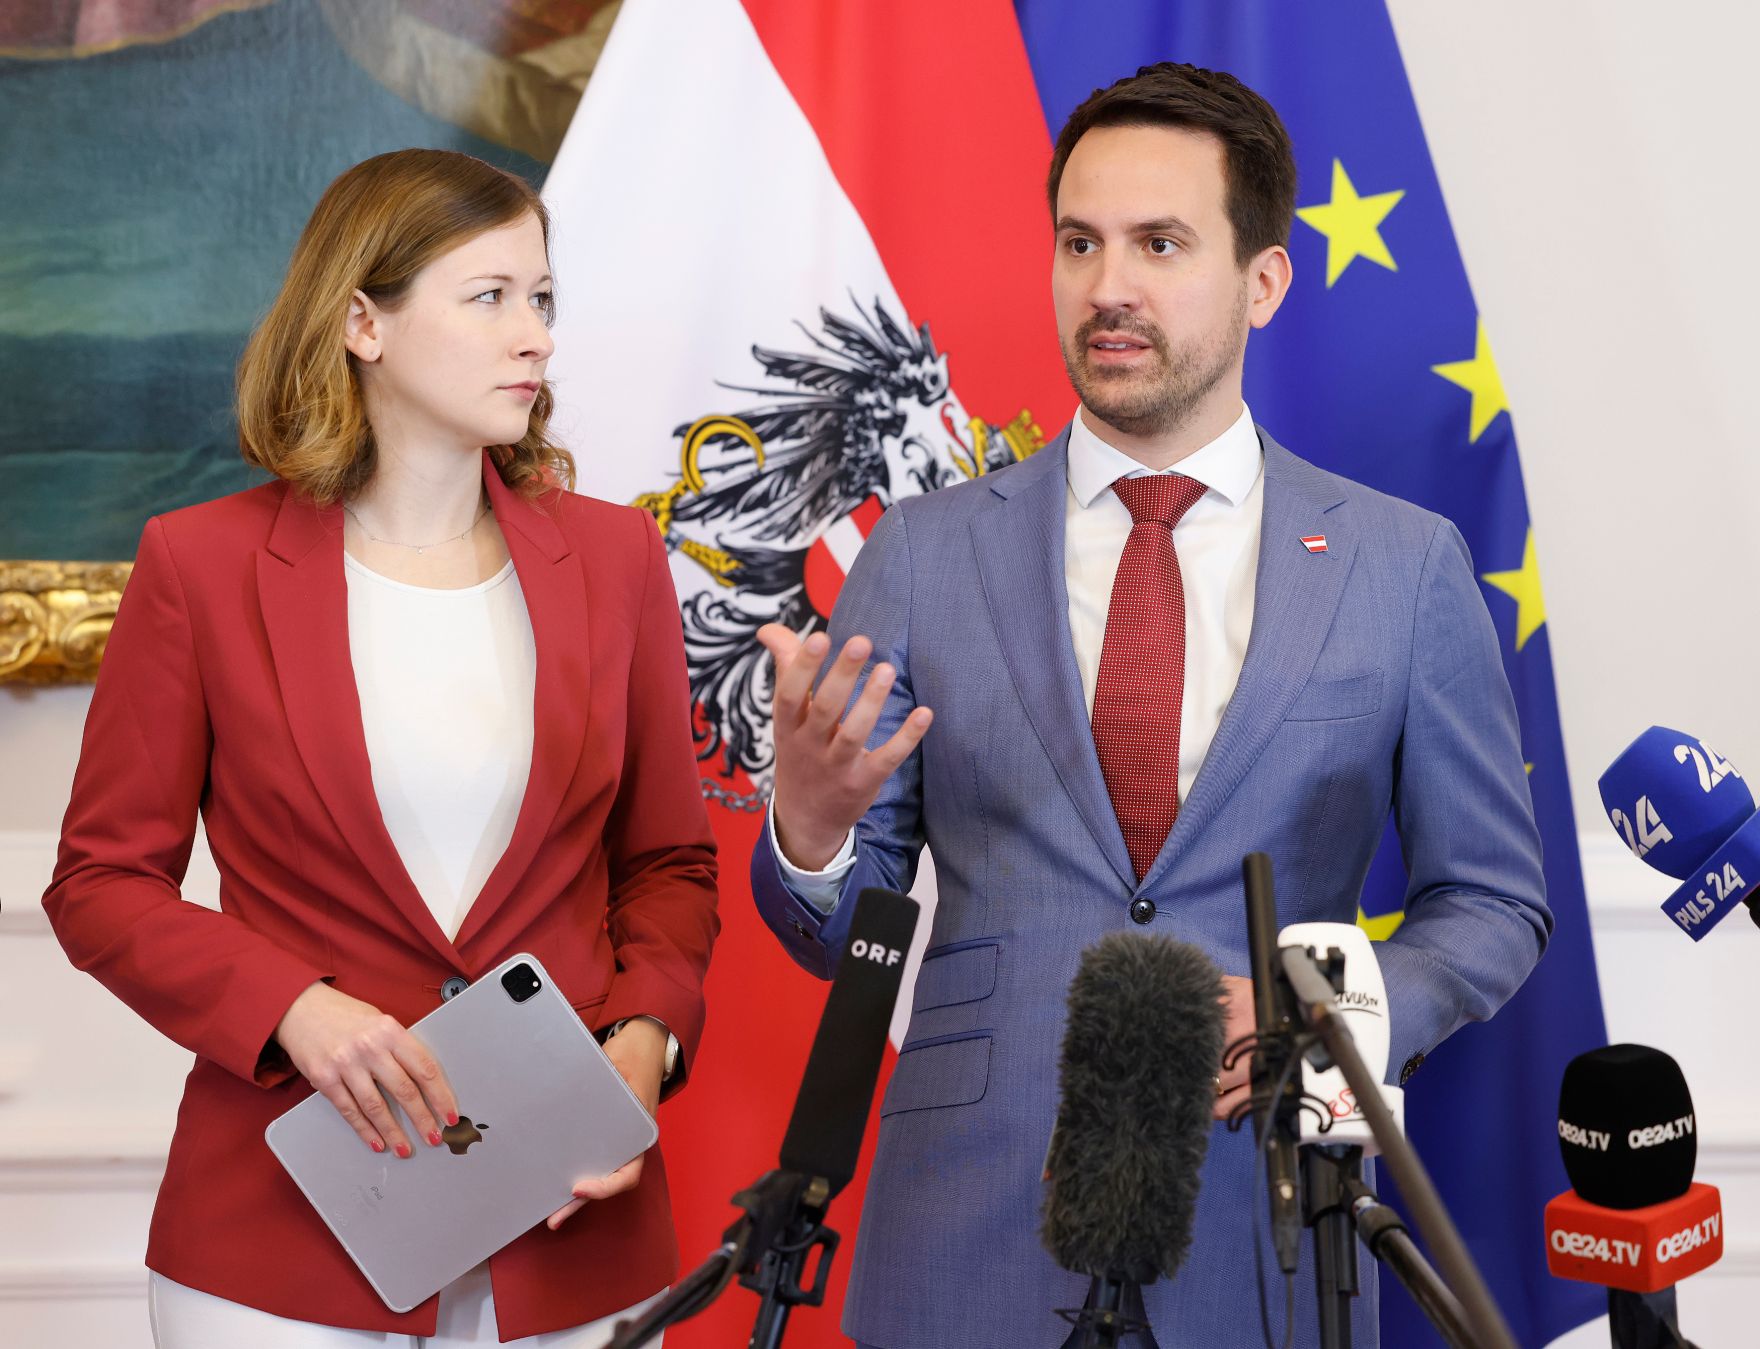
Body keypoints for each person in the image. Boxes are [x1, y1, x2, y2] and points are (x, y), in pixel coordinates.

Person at [751, 63, 1549, 1348]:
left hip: (1269, 1229)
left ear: (1264, 280)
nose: (1106, 286)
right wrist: (812, 829)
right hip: (968, 1234)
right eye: (1079, 241)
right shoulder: (918, 552)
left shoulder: (1402, 567)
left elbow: (1494, 901)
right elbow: (844, 939)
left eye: (1158, 244)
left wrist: (1336, 1008)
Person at [43, 149, 719, 1347]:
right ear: (363, 319)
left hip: (566, 1227)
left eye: (544, 297)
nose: (536, 337)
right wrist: (293, 1006)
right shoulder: (199, 566)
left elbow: (668, 863)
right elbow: (100, 883)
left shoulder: (615, 562)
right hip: (282, 1237)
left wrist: (641, 1042)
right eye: (490, 296)